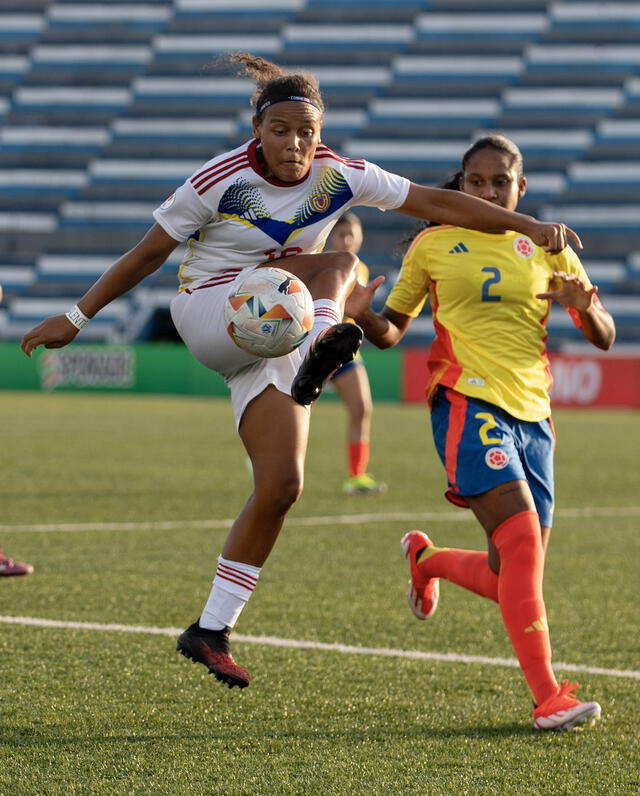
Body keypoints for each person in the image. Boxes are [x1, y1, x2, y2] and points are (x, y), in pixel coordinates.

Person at [20, 53, 582, 691]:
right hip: (210, 309)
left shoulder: (338, 175)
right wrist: (76, 315)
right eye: (281, 130)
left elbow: (438, 201)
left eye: (306, 133)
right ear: (257, 128)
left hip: (276, 321)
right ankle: (326, 340)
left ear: (321, 135)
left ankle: (210, 628)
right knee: (333, 265)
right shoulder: (219, 179)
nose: (295, 144)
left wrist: (528, 226)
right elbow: (147, 253)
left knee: (282, 485)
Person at [346, 134, 615, 730]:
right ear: (461, 187)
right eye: (476, 182)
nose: (488, 191)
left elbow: (604, 336)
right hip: (468, 402)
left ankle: (428, 560)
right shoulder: (434, 244)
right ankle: (550, 697)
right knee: (521, 543)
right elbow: (392, 331)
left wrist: (584, 304)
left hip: (535, 415)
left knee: (511, 574)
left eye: (501, 182)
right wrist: (364, 313)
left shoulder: (550, 246)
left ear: (521, 190)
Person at [327, 213, 386, 496]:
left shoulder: (360, 268)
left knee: (362, 408)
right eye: (341, 234)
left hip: (345, 351)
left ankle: (356, 476)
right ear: (330, 237)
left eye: (352, 233)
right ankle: (271, 463)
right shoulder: (320, 263)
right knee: (293, 415)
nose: (348, 239)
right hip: (312, 349)